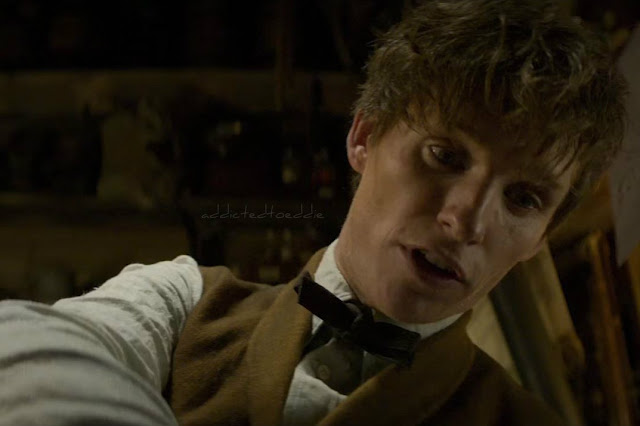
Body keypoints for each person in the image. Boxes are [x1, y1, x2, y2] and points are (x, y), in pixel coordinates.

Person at [0, 0, 627, 425]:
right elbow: (23, 354)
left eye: (523, 199)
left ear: (540, 237)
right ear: (363, 137)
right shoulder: (182, 303)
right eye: (444, 155)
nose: (465, 222)